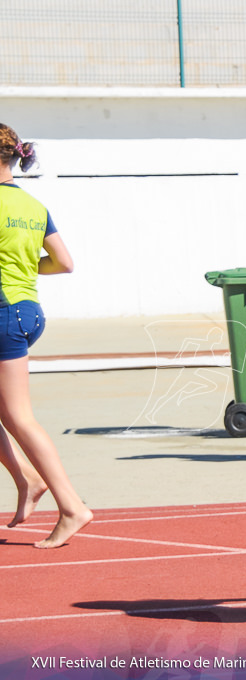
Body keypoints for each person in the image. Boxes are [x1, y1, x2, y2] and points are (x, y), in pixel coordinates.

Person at [0, 123, 93, 548]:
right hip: (28, 312)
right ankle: (26, 480)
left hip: (3, 314)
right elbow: (65, 263)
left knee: (20, 417)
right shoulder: (34, 206)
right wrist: (23, 269)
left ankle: (71, 505)